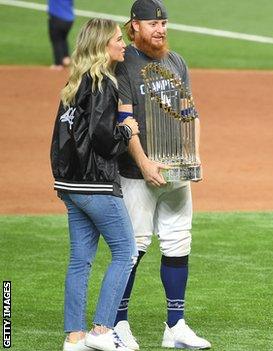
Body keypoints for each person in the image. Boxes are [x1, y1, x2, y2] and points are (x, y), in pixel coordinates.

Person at [111, 1, 210, 349]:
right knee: (133, 248)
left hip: (176, 172)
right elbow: (124, 122)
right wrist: (143, 164)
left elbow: (190, 113)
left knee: (178, 242)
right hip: (136, 174)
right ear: (134, 26)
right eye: (153, 23)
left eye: (164, 23)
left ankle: (175, 325)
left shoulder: (176, 61)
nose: (161, 29)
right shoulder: (123, 64)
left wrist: (193, 156)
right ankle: (117, 324)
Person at [50, 18, 139, 351]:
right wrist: (127, 131)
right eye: (118, 39)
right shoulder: (104, 83)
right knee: (125, 252)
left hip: (70, 184)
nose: (123, 44)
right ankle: (102, 331)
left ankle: (73, 338)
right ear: (104, 46)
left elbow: (61, 139)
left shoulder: (74, 84)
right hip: (96, 183)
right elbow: (104, 140)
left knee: (80, 260)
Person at [47, 0, 74, 70]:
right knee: (63, 38)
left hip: (57, 18)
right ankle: (66, 58)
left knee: (56, 39)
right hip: (69, 19)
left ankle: (58, 63)